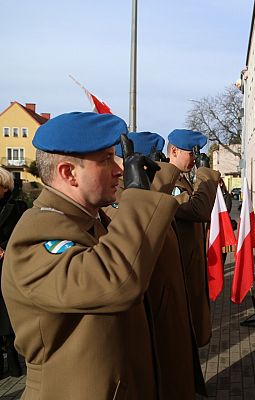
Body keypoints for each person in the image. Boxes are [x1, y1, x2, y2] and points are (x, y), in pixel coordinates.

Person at [1, 112, 178, 399]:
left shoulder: (90, 221)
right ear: (68, 173)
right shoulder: (36, 234)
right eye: (106, 158)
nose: (120, 169)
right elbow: (114, 281)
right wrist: (138, 198)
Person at [108, 131, 205, 399]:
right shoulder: (120, 200)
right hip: (151, 313)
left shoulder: (142, 195)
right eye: (152, 162)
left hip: (168, 304)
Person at [167, 128, 221, 347]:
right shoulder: (168, 184)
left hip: (189, 265)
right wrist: (205, 173)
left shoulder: (182, 180)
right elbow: (197, 209)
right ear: (174, 151)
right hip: (179, 270)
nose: (195, 159)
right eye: (191, 153)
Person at [0, 168, 27, 377]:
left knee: (7, 316)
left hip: (7, 266)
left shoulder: (18, 207)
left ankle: (14, 363)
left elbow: (23, 234)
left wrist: (6, 247)